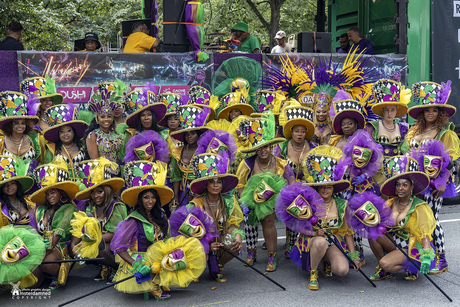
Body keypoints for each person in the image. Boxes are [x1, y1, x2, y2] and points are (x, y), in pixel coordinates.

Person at [236, 112, 294, 271]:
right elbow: (240, 184)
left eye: (266, 146)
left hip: (272, 201)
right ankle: (251, 253)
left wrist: (284, 200)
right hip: (250, 199)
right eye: (259, 147)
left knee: (268, 222)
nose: (263, 150)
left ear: (271, 146)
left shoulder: (281, 163)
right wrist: (244, 203)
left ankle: (271, 256)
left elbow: (291, 183)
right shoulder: (247, 162)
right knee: (250, 224)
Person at [294, 145, 357, 290]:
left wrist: (353, 255)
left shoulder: (342, 204)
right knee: (320, 242)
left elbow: (347, 233)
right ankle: (313, 272)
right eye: (322, 186)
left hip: (333, 242)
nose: (325, 189)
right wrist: (314, 233)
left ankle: (325, 261)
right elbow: (298, 226)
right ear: (316, 187)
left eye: (329, 186)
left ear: (334, 188)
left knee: (342, 270)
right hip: (312, 241)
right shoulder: (309, 203)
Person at [111, 161, 174, 300]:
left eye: (153, 197)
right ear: (140, 200)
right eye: (146, 197)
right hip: (141, 259)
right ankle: (151, 285)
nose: (150, 201)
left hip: (158, 257)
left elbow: (167, 239)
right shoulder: (133, 220)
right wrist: (136, 265)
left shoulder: (160, 215)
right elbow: (119, 247)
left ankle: (160, 280)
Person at [369, 156, 436, 281]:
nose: (400, 188)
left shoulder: (419, 206)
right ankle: (384, 269)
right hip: (395, 242)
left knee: (386, 263)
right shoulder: (390, 203)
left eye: (405, 185)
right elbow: (379, 222)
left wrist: (426, 255)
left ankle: (410, 267)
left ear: (412, 187)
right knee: (372, 232)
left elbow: (424, 233)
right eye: (398, 185)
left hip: (411, 245)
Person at [187, 152, 243, 282]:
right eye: (211, 182)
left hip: (221, 238)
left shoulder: (229, 201)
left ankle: (218, 265)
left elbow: (232, 227)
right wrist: (206, 244)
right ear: (206, 185)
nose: (215, 185)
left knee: (234, 243)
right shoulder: (196, 204)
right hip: (200, 241)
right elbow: (189, 234)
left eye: (219, 182)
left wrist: (237, 235)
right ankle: (196, 267)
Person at [70, 157, 126, 284]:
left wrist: (92, 241)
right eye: (93, 193)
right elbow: (79, 228)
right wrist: (74, 245)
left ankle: (116, 268)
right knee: (75, 247)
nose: (96, 196)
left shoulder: (116, 206)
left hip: (116, 243)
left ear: (107, 190)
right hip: (94, 241)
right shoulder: (88, 206)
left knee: (101, 248)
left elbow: (116, 233)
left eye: (100, 192)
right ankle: (104, 265)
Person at [29, 160, 79, 290]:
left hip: (60, 246)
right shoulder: (39, 210)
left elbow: (56, 237)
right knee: (31, 284)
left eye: (53, 192)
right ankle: (46, 274)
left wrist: (37, 257)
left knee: (46, 264)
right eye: (47, 194)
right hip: (41, 247)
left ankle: (61, 269)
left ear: (60, 193)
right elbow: (33, 233)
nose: (49, 196)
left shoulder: (68, 209)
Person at [170, 105, 210, 207]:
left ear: (198, 134)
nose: (189, 136)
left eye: (192, 133)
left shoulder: (206, 151)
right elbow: (176, 176)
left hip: (202, 193)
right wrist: (175, 196)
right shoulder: (178, 151)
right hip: (183, 192)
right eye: (186, 134)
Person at [117, 84, 167, 162]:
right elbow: (125, 157)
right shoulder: (130, 134)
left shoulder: (163, 134)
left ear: (153, 117)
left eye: (149, 115)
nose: (146, 118)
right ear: (139, 118)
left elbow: (167, 158)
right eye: (143, 115)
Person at [42, 104, 89, 181]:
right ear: (58, 135)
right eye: (62, 131)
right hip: (61, 187)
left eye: (69, 130)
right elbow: (47, 173)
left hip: (82, 186)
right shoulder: (52, 149)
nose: (65, 134)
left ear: (74, 132)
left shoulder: (83, 146)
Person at [85, 90, 123, 174]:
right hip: (102, 175)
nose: (106, 119)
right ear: (97, 119)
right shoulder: (93, 135)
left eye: (109, 116)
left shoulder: (114, 134)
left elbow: (118, 156)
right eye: (102, 116)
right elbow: (95, 162)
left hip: (118, 174)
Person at [0, 91, 42, 162]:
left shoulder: (35, 140)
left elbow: (41, 162)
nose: (20, 126)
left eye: (23, 123)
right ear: (10, 125)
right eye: (16, 123)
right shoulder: (1, 142)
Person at [0, 156, 36, 228]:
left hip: (33, 235)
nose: (9, 187)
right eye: (5, 185)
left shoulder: (28, 200)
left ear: (17, 185)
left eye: (12, 183)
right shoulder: (1, 206)